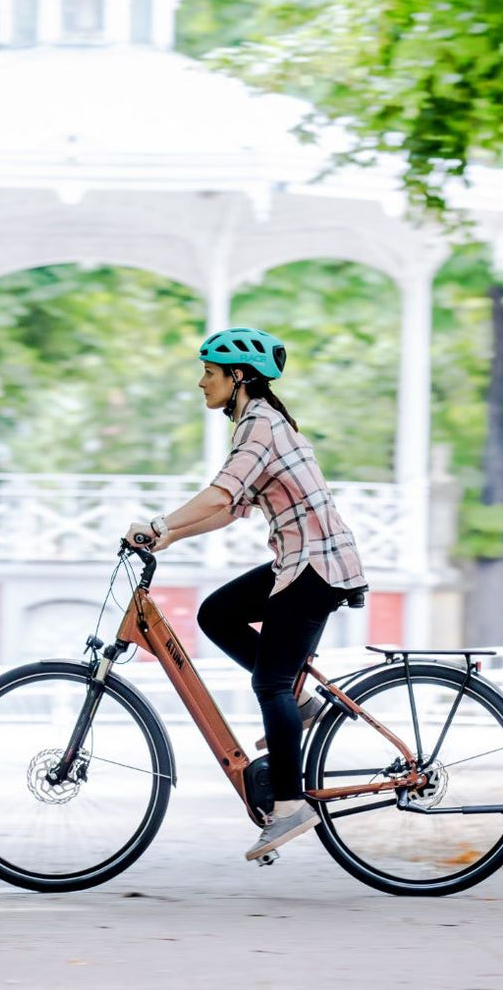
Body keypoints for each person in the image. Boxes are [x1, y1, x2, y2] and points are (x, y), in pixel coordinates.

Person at [124, 327, 366, 862]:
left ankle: (290, 804)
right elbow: (231, 508)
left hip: (316, 566)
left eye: (208, 373)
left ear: (238, 377)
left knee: (271, 683)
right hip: (299, 560)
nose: (200, 382)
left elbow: (220, 492)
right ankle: (303, 704)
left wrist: (161, 520)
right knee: (218, 613)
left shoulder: (260, 423)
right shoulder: (255, 424)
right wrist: (169, 536)